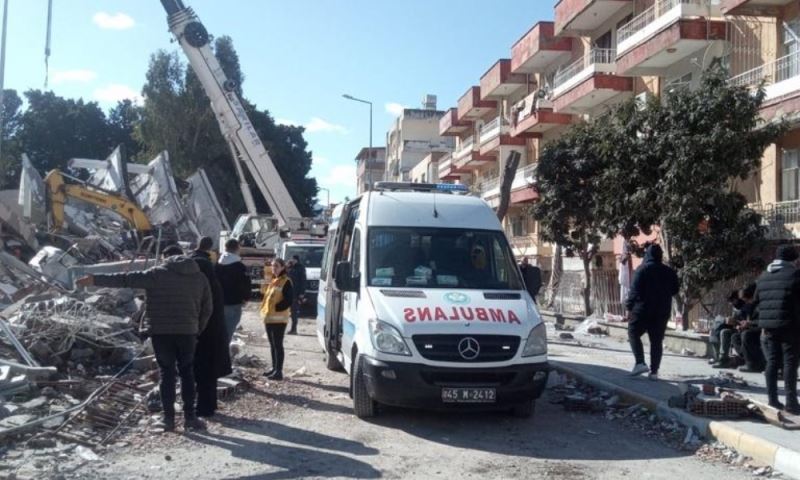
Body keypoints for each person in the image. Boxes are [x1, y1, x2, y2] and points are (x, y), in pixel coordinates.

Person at [76, 245, 212, 432]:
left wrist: (94, 280)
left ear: (165, 258)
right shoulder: (199, 277)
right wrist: (197, 329)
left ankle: (168, 420)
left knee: (167, 373)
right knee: (187, 373)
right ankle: (190, 418)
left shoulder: (157, 273)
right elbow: (208, 308)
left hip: (161, 333)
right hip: (188, 332)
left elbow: (126, 279)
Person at [753, 245, 800, 413]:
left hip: (768, 327)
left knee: (772, 362)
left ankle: (773, 400)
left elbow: (756, 300)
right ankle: (792, 403)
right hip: (790, 326)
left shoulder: (763, 276)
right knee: (790, 363)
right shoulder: (795, 275)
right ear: (793, 259)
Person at [190, 237, 232, 418]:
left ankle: (203, 408)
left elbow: (202, 309)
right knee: (210, 372)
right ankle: (209, 405)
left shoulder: (200, 282)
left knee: (201, 371)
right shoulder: (214, 280)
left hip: (203, 331)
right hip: (214, 332)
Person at [625, 244, 680, 381]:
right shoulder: (669, 271)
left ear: (648, 255)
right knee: (656, 341)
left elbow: (634, 290)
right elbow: (675, 290)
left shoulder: (642, 269)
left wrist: (629, 307)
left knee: (633, 331)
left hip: (643, 309)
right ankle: (654, 372)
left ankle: (640, 362)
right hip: (662, 311)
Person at [260, 258, 294, 380]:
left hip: (279, 319)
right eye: (273, 266)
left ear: (283, 267)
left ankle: (278, 371)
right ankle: (274, 368)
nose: (274, 268)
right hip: (269, 318)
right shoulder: (273, 280)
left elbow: (289, 300)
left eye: (277, 266)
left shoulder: (286, 281)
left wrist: (277, 308)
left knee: (277, 344)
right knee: (272, 344)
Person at [216, 238, 251, 345]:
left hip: (217, 303)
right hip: (233, 303)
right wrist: (246, 298)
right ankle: (223, 358)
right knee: (228, 333)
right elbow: (245, 284)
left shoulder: (217, 265)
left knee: (218, 332)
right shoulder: (239, 267)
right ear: (237, 248)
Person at [731, 284, 765, 373]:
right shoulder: (749, 306)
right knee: (735, 337)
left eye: (746, 299)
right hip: (752, 328)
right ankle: (747, 359)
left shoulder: (760, 305)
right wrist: (740, 324)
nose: (745, 302)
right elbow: (744, 317)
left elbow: (763, 321)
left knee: (746, 335)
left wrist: (749, 323)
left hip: (761, 330)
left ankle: (752, 364)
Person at [710, 289, 749, 368]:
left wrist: (739, 324)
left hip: (744, 329)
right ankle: (718, 357)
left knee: (725, 332)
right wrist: (728, 320)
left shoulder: (746, 306)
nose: (732, 303)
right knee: (716, 328)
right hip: (736, 327)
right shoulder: (735, 307)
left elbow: (748, 321)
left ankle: (723, 360)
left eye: (733, 301)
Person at [286, 255, 307, 335]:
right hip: (288, 292)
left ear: (297, 260)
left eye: (294, 259)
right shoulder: (290, 267)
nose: (292, 261)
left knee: (294, 312)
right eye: (292, 259)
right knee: (288, 312)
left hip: (296, 293)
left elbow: (303, 281)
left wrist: (302, 293)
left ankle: (294, 329)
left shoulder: (301, 268)